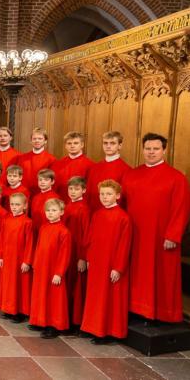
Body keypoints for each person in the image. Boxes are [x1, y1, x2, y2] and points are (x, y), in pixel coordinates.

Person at [122, 133, 190, 323]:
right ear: (142, 149)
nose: (151, 152)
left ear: (164, 150)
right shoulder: (131, 174)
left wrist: (173, 236)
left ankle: (160, 314)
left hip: (162, 238)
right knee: (136, 274)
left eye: (156, 149)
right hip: (135, 236)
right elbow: (123, 206)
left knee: (161, 275)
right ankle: (135, 309)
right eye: (148, 149)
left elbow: (181, 210)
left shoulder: (176, 178)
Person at [81, 180, 132, 344]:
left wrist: (118, 268)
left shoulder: (123, 218)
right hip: (96, 262)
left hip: (111, 264)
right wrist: (88, 258)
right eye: (102, 194)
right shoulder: (97, 214)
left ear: (117, 196)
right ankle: (93, 328)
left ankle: (107, 332)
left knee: (109, 298)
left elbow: (124, 246)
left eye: (109, 194)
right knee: (95, 296)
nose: (104, 197)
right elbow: (90, 239)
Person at [29, 198, 72, 339]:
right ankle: (40, 320)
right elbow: (39, 246)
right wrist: (35, 263)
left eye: (54, 210)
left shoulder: (64, 231)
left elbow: (64, 255)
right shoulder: (43, 227)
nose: (50, 213)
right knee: (40, 295)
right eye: (48, 210)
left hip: (53, 270)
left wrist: (59, 273)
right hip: (41, 267)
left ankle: (54, 325)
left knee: (54, 298)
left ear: (61, 212)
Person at [0, 193, 34, 323]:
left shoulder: (27, 222)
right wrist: (0, 255)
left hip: (20, 259)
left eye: (17, 205)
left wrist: (27, 261)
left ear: (25, 206)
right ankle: (8, 308)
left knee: (19, 285)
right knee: (8, 284)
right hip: (7, 257)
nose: (14, 207)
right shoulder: (7, 219)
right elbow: (1, 238)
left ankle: (19, 312)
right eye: (12, 204)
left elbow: (30, 244)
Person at [63, 176, 90, 327]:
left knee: (75, 286)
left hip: (76, 252)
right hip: (66, 250)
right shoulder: (66, 206)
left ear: (84, 190)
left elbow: (86, 235)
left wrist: (82, 257)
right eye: (70, 189)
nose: (73, 192)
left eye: (77, 189)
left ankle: (75, 321)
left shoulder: (84, 209)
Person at [85, 131, 131, 210]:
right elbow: (88, 194)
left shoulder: (126, 170)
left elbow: (124, 198)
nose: (108, 146)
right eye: (105, 143)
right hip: (93, 213)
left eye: (112, 143)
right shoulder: (94, 168)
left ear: (120, 145)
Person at [51, 132, 94, 198]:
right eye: (69, 143)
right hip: (59, 202)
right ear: (65, 145)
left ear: (82, 145)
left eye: (76, 143)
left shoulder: (90, 165)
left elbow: (89, 188)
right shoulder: (57, 164)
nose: (72, 146)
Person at [12, 128, 56, 193]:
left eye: (40, 138)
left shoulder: (51, 159)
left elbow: (51, 179)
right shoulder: (22, 158)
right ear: (31, 141)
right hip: (23, 193)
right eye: (34, 139)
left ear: (45, 141)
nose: (37, 141)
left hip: (41, 193)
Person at [30, 169, 60, 242]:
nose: (42, 182)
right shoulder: (35, 197)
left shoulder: (55, 197)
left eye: (46, 180)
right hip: (35, 231)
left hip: (48, 231)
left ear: (52, 182)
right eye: (40, 180)